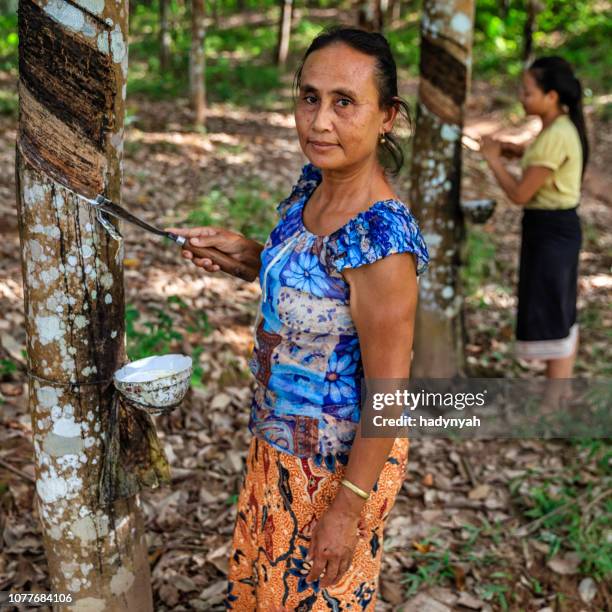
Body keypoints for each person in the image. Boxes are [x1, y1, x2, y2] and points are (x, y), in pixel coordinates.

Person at [168, 27, 429, 610]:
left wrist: (346, 509)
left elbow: (390, 393)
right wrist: (251, 259)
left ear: (387, 116)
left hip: (333, 471)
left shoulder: (381, 241)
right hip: (278, 447)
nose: (319, 121)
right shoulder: (317, 182)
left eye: (344, 102)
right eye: (309, 97)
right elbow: (320, 294)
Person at [480, 57, 588, 396]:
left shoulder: (557, 134)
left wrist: (493, 160)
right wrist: (514, 152)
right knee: (560, 308)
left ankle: (555, 400)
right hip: (554, 229)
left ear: (552, 96)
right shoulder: (559, 128)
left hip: (551, 230)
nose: (522, 98)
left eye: (528, 92)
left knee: (554, 312)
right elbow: (542, 164)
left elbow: (520, 193)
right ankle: (560, 394)